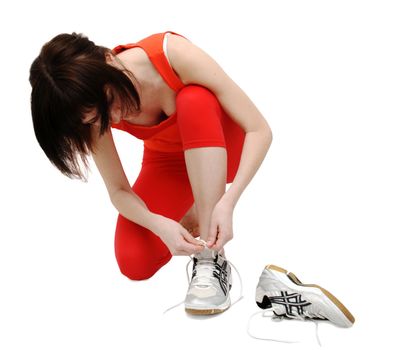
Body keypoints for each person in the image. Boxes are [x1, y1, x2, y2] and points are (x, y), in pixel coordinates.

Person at [29, 30, 273, 315]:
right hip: (169, 161)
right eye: (100, 118)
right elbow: (118, 190)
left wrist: (228, 201)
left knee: (194, 99)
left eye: (110, 102)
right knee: (134, 260)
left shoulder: (173, 55)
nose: (117, 118)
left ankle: (211, 258)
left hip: (223, 146)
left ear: (109, 60)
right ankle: (194, 207)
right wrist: (158, 224)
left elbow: (259, 129)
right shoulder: (89, 107)